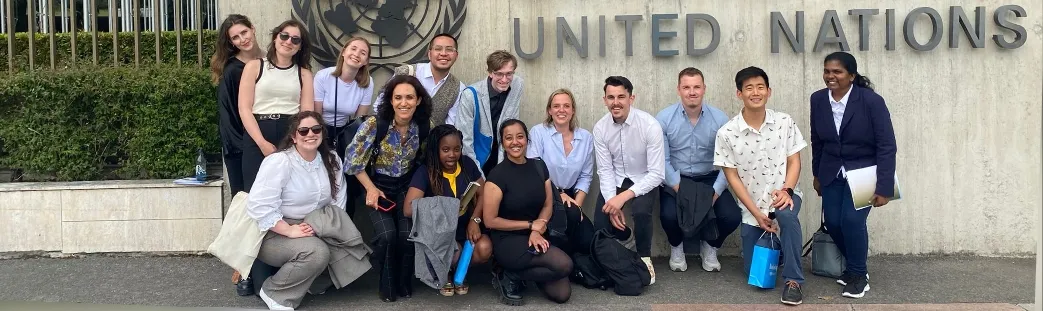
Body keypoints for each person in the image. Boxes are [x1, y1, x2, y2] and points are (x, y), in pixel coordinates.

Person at [245, 111, 357, 310]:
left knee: (347, 246)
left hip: (315, 225)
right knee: (317, 253)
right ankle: (275, 293)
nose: (310, 134)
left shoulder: (331, 159)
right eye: (303, 131)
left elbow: (338, 200)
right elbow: (258, 205)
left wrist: (333, 231)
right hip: (274, 231)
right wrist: (289, 230)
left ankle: (312, 284)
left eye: (316, 129)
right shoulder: (280, 162)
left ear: (322, 132)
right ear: (294, 137)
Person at [713, 66, 807, 306]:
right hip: (752, 206)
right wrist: (756, 213)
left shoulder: (784, 122)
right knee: (755, 274)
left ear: (769, 91)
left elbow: (795, 160)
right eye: (749, 88)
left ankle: (794, 281)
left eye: (760, 87)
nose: (755, 92)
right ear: (739, 94)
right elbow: (732, 178)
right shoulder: (727, 133)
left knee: (785, 217)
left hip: (786, 194)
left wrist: (787, 190)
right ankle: (785, 251)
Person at [810, 51, 897, 299]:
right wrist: (817, 174)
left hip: (864, 173)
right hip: (831, 172)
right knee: (834, 223)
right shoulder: (817, 100)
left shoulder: (871, 101)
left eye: (837, 71)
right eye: (827, 71)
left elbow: (887, 145)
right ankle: (854, 267)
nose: (830, 76)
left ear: (851, 75)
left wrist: (884, 186)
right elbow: (817, 140)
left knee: (852, 222)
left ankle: (858, 275)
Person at [342, 75, 432, 302]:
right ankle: (386, 285)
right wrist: (371, 190)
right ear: (390, 101)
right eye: (398, 97)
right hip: (376, 185)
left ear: (418, 100)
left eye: (410, 97)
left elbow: (423, 160)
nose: (404, 103)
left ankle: (403, 282)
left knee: (406, 235)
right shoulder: (375, 124)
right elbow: (352, 162)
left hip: (405, 185)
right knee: (387, 236)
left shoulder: (422, 126)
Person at [656, 68, 741, 273]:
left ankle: (710, 245)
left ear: (704, 89)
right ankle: (677, 247)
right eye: (686, 87)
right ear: (679, 90)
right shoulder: (664, 118)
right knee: (668, 215)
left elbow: (729, 161)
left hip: (709, 178)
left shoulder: (720, 119)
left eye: (696, 87)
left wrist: (715, 192)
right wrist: (679, 189)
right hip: (677, 179)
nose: (691, 92)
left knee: (731, 216)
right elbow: (662, 160)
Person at [483, 119, 573, 306]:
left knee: (562, 293)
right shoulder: (497, 175)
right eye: (509, 138)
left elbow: (548, 204)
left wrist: (535, 230)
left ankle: (515, 274)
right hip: (508, 240)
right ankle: (506, 271)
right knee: (564, 264)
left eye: (520, 137)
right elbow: (490, 220)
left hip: (536, 234)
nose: (515, 142)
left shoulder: (539, 167)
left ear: (527, 139)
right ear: (502, 143)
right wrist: (529, 225)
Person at [209, 13, 264, 297]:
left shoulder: (268, 61)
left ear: (253, 30)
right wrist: (242, 151)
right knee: (247, 207)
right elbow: (228, 116)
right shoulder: (232, 70)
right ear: (230, 43)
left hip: (266, 144)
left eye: (245, 32)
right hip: (241, 149)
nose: (243, 39)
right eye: (236, 37)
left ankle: (262, 263)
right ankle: (244, 267)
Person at [402, 124, 492, 297]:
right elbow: (408, 208)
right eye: (445, 149)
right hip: (439, 235)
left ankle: (459, 273)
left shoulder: (467, 164)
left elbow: (483, 192)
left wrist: (475, 220)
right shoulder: (426, 170)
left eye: (457, 149)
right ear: (436, 150)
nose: (452, 155)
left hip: (464, 229)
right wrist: (445, 206)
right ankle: (445, 274)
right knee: (452, 252)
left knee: (485, 248)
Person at [591, 76, 664, 284]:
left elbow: (657, 174)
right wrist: (611, 201)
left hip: (645, 178)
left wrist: (622, 198)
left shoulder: (650, 125)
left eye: (621, 96)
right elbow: (604, 170)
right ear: (604, 99)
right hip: (616, 179)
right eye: (611, 97)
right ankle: (608, 261)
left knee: (641, 211)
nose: (616, 102)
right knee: (601, 219)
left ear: (631, 98)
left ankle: (644, 257)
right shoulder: (600, 128)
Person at [238, 20, 315, 193]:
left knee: (289, 192)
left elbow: (307, 115)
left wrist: (297, 143)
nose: (288, 42)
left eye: (295, 40)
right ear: (275, 38)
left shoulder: (304, 74)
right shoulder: (254, 66)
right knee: (255, 191)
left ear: (300, 47)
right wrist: (261, 142)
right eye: (285, 36)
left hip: (291, 133)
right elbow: (244, 109)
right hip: (257, 132)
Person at [526, 88, 592, 252]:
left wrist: (577, 205)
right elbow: (536, 170)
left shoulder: (586, 137)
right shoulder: (538, 132)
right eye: (556, 106)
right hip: (544, 195)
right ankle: (562, 265)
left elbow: (586, 176)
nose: (561, 110)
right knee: (562, 235)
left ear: (573, 110)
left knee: (588, 240)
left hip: (571, 197)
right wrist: (559, 194)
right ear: (549, 110)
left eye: (566, 106)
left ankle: (574, 266)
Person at [451, 50, 525, 176]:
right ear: (490, 73)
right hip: (477, 158)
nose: (505, 79)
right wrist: (478, 175)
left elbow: (511, 124)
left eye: (509, 74)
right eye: (499, 74)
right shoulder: (470, 95)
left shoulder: (517, 84)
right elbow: (464, 140)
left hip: (503, 154)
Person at [374, 33, 465, 127]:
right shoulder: (407, 72)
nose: (443, 53)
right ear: (429, 54)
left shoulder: (458, 89)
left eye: (449, 50)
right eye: (438, 49)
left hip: (431, 140)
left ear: (456, 56)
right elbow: (379, 105)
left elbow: (450, 126)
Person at [313, 36, 373, 160]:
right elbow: (315, 114)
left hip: (343, 133)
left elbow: (359, 121)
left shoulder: (367, 83)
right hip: (319, 129)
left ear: (366, 61)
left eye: (363, 53)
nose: (356, 54)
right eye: (353, 49)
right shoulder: (323, 76)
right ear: (344, 52)